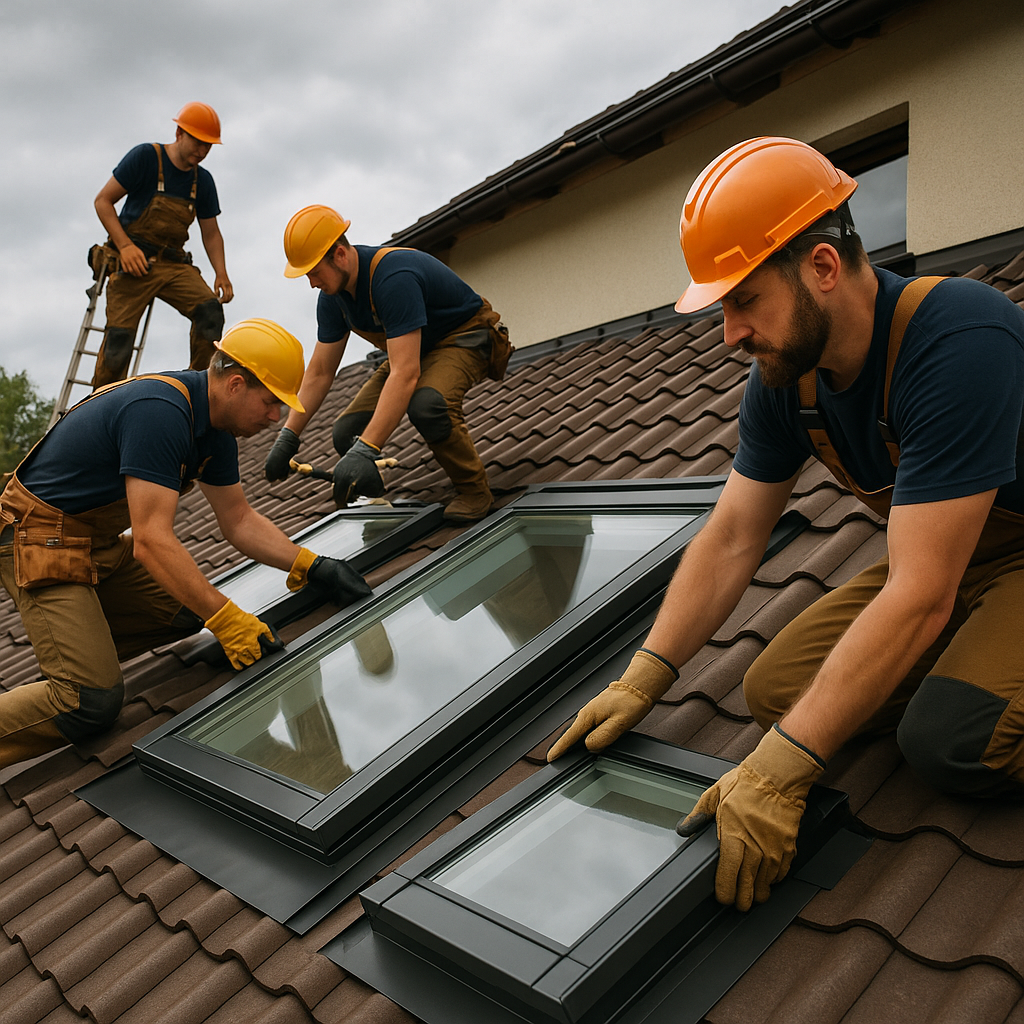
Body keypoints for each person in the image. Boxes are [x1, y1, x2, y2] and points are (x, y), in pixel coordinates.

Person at [548, 136, 1024, 912]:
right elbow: (733, 536)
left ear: (823, 269)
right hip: (955, 560)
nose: (730, 333)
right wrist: (647, 675)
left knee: (951, 742)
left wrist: (778, 772)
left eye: (742, 300)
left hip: (976, 564)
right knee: (777, 691)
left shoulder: (959, 337)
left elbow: (922, 591)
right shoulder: (784, 382)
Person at [0, 319, 372, 769]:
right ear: (236, 384)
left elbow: (238, 520)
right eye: (271, 402)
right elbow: (152, 541)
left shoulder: (215, 431)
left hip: (91, 542)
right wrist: (228, 620)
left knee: (185, 612)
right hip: (39, 537)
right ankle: (74, 665)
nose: (277, 418)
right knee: (90, 702)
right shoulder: (160, 412)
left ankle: (74, 644)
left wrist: (312, 565)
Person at [263, 204, 511, 523]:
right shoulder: (332, 299)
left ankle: (475, 492)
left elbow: (406, 373)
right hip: (416, 347)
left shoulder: (392, 278)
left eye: (313, 272)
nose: (311, 283)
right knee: (346, 433)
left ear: (340, 255)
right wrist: (288, 437)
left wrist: (368, 449)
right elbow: (321, 372)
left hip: (465, 336)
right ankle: (372, 496)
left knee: (427, 404)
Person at [91, 102, 234, 388]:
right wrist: (125, 246)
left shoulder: (202, 181)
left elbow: (211, 233)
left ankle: (201, 390)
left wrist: (221, 272)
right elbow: (103, 202)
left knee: (210, 312)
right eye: (198, 142)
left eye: (208, 146)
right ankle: (102, 405)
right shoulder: (146, 157)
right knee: (119, 342)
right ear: (180, 133)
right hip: (132, 261)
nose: (202, 152)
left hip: (173, 263)